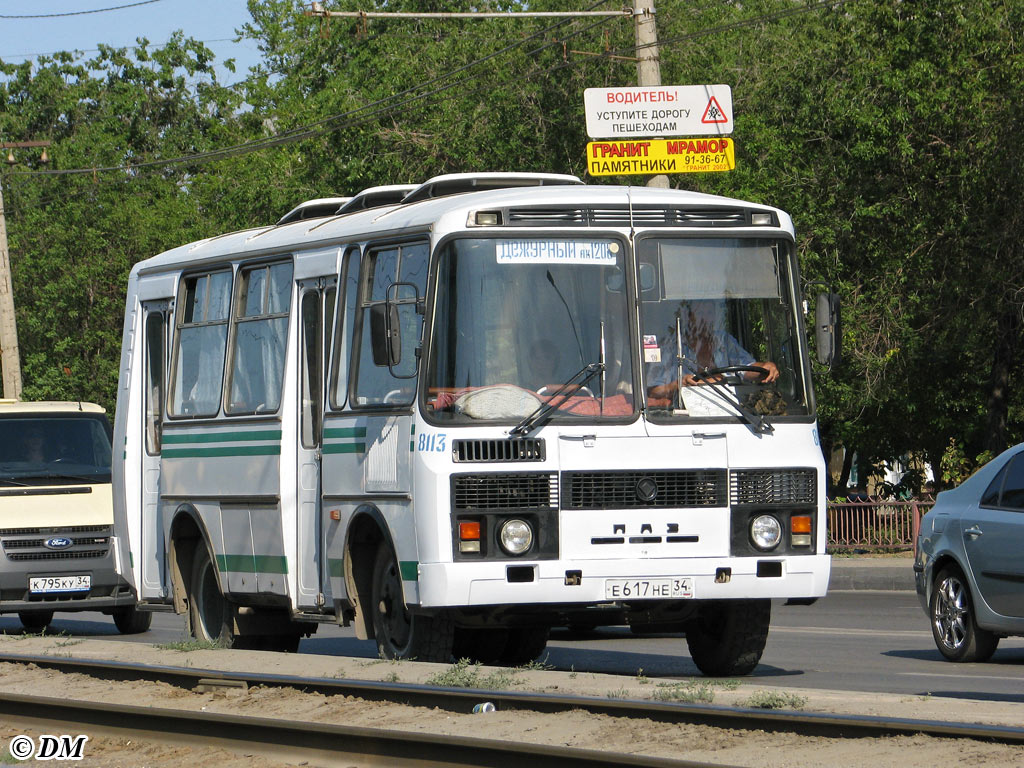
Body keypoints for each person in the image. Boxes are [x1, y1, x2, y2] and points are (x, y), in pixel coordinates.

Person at [647, 300, 779, 400]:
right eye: (699, 313)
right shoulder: (670, 346)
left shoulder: (725, 341)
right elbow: (652, 391)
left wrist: (766, 367)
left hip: (729, 410)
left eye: (709, 313)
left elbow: (747, 368)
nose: (704, 318)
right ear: (689, 316)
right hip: (683, 416)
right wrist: (678, 384)